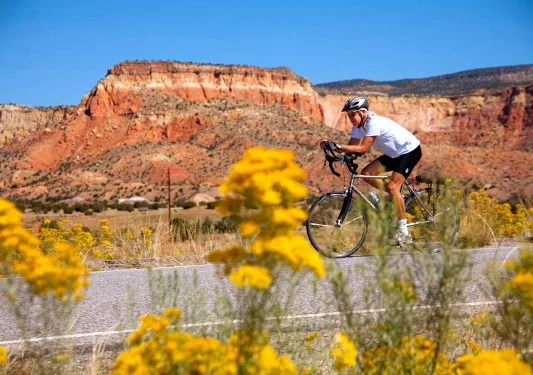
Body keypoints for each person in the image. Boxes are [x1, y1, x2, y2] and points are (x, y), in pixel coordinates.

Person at [320, 96, 422, 244]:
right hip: (394, 154)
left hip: (409, 151)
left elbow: (362, 149)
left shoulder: (373, 123)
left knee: (393, 186)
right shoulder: (357, 127)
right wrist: (333, 151)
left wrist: (337, 146)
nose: (350, 118)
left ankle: (404, 233)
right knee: (366, 174)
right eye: (348, 115)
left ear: (363, 112)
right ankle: (394, 197)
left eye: (352, 114)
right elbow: (352, 148)